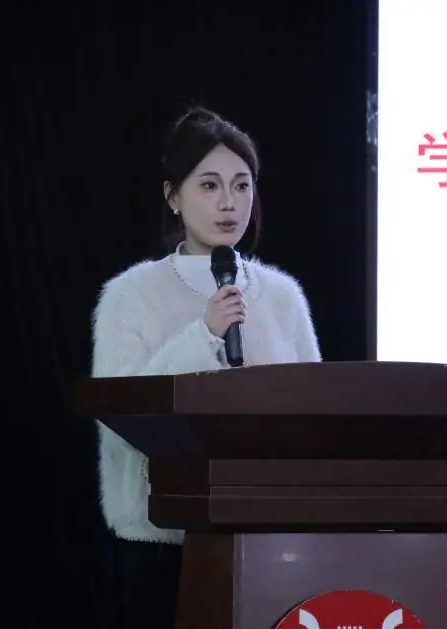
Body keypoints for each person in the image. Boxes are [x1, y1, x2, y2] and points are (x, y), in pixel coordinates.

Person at [90, 106, 321, 627]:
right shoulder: (131, 295)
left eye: (242, 186)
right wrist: (204, 335)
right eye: (209, 185)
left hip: (269, 540)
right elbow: (121, 413)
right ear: (173, 196)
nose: (229, 203)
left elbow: (315, 412)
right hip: (161, 545)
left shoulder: (282, 296)